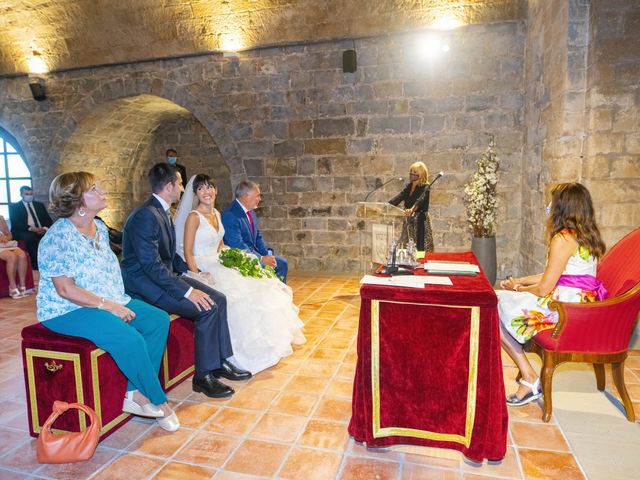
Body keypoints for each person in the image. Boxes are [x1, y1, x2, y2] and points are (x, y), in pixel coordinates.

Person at [36, 172, 179, 431]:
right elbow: (66, 289)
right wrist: (109, 306)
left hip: (109, 298)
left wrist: (116, 301)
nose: (102, 191)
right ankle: (158, 400)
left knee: (157, 320)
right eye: (93, 189)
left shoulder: (99, 227)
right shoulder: (57, 238)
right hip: (68, 310)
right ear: (78, 202)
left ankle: (135, 393)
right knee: (130, 338)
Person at [120, 163, 251, 399]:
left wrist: (195, 273)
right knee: (207, 307)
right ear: (169, 186)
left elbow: (170, 257)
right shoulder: (145, 216)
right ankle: (203, 377)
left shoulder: (161, 211)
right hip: (146, 287)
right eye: (180, 184)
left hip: (163, 278)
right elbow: (150, 265)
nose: (183, 189)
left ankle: (220, 361)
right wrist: (187, 291)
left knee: (219, 298)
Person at [175, 174, 306, 374]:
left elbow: (220, 245)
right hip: (203, 266)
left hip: (218, 261)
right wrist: (198, 275)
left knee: (258, 286)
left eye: (210, 187)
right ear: (195, 194)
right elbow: (188, 252)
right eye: (201, 189)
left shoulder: (217, 214)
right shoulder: (193, 217)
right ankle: (231, 356)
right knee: (237, 299)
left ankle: (265, 345)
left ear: (216, 190)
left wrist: (236, 260)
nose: (207, 192)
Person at [498, 182, 607, 406]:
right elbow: (558, 274)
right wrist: (519, 282)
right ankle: (528, 377)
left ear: (562, 207)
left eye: (553, 202)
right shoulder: (586, 235)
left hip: (565, 311)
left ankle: (528, 378)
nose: (549, 206)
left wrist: (519, 290)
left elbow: (545, 288)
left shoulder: (563, 238)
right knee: (502, 298)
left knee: (492, 305)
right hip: (579, 304)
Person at [221, 180, 288, 282]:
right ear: (246, 196)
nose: (259, 199)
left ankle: (276, 294)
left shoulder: (250, 211)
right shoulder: (229, 215)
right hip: (241, 258)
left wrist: (266, 255)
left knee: (282, 263)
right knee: (267, 267)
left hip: (254, 254)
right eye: (257, 195)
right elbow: (237, 246)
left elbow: (257, 236)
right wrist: (261, 259)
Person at [389, 162, 434, 252]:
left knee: (420, 248)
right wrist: (387, 205)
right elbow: (399, 197)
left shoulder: (425, 187)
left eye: (415, 172)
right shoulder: (409, 186)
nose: (411, 174)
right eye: (411, 172)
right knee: (407, 248)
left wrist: (412, 209)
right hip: (409, 220)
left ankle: (421, 263)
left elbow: (420, 201)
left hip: (420, 221)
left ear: (421, 174)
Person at [8, 185, 53, 269]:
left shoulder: (39, 205)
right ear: (21, 194)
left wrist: (44, 228)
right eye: (27, 194)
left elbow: (48, 219)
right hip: (24, 230)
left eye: (31, 194)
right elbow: (16, 223)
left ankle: (51, 262)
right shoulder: (14, 207)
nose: (29, 196)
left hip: (41, 229)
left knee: (52, 235)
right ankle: (35, 265)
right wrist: (32, 229)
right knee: (31, 237)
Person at [0, 214, 30, 298]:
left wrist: (6, 238)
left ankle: (22, 286)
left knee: (22, 255)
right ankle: (12, 288)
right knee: (11, 257)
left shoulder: (1, 218)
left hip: (6, 244)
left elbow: (9, 235)